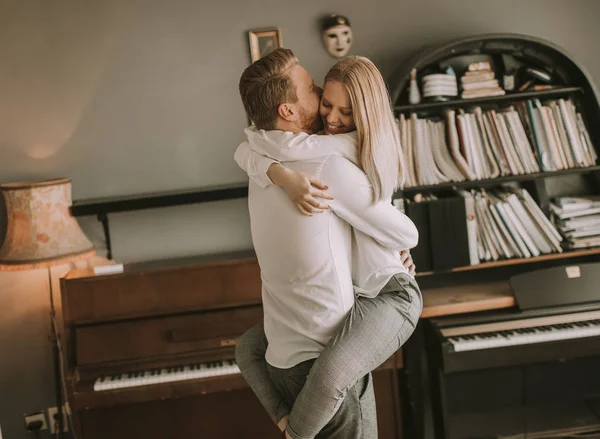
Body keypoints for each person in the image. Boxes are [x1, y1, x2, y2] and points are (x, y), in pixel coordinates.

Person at [235, 48, 422, 439]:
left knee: (309, 366)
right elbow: (251, 150)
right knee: (254, 347)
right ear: (287, 111)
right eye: (313, 91)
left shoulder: (273, 160)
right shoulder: (316, 162)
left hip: (382, 290)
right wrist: (282, 175)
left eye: (346, 111)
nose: (326, 108)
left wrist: (392, 244)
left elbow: (249, 146)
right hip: (347, 312)